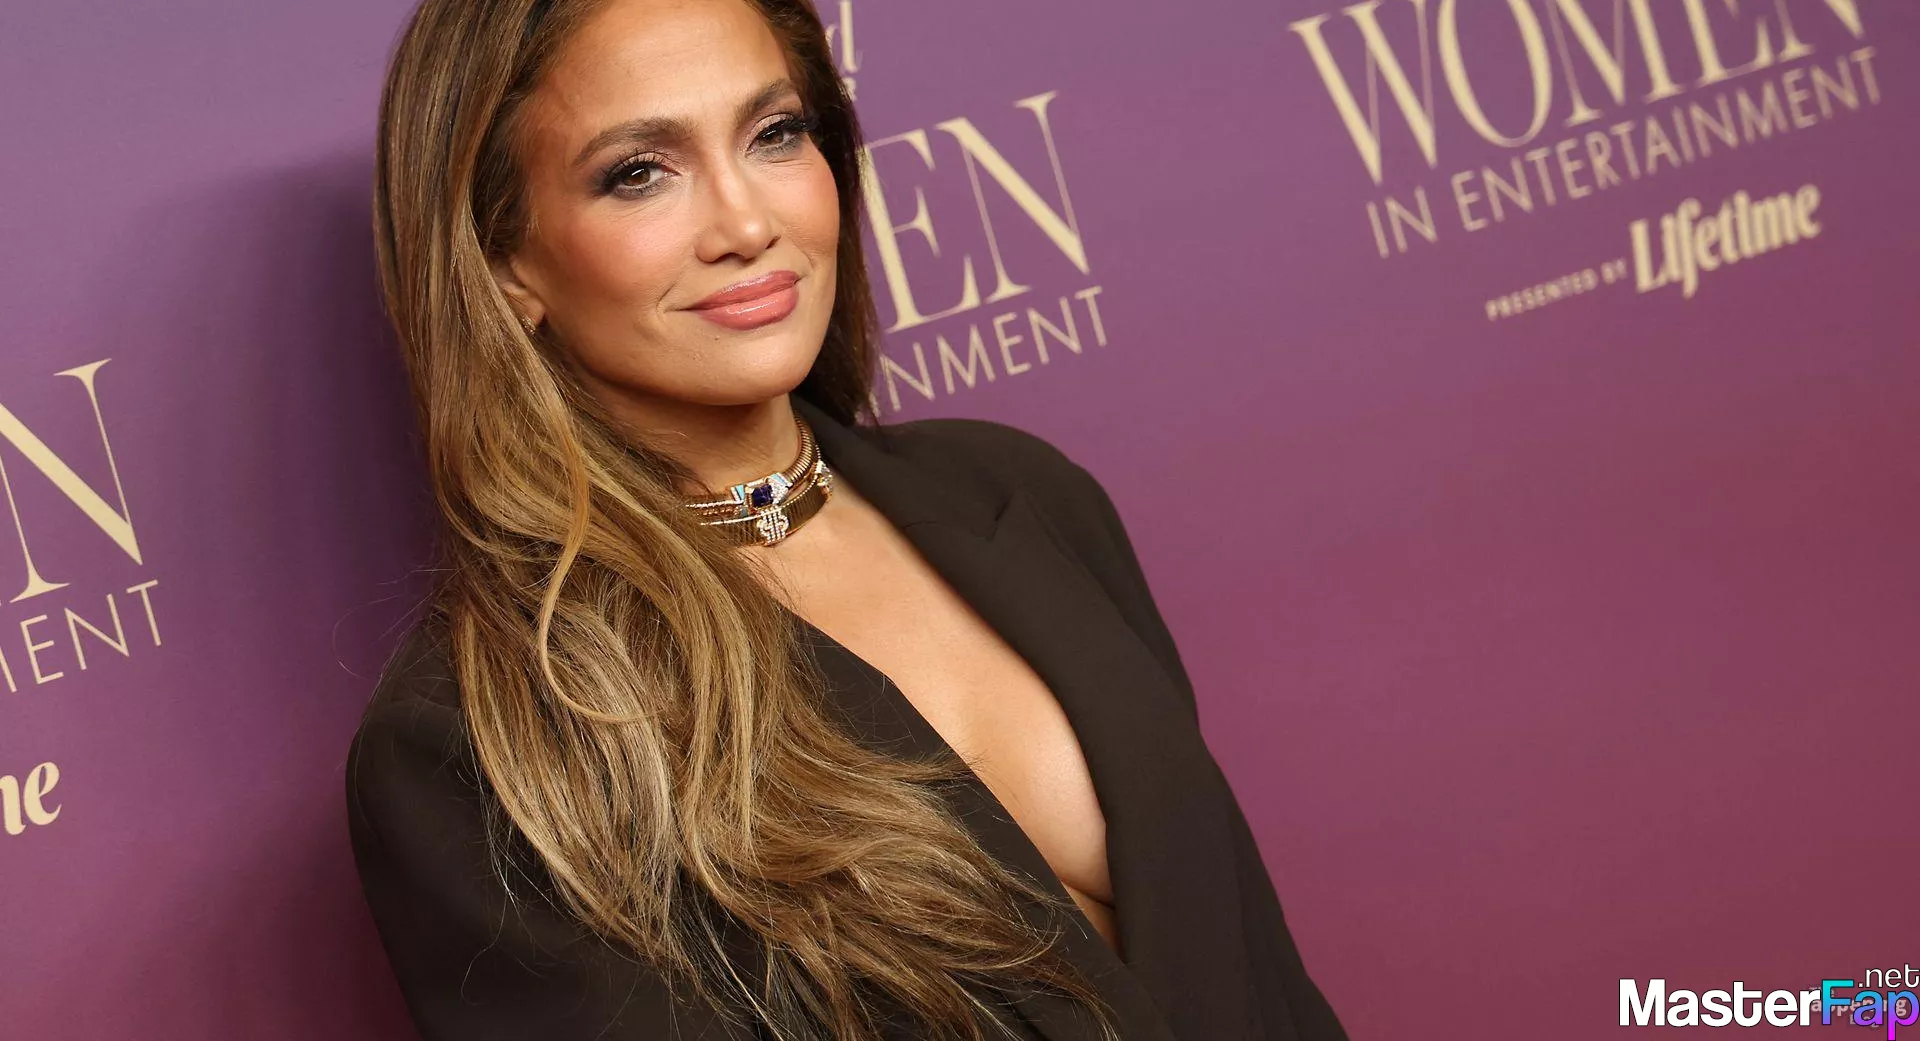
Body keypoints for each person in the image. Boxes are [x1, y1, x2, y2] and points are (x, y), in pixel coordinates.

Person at [345, 0, 1349, 1039]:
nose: (747, 226)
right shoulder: (472, 745)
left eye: (775, 134)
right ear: (504, 263)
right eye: (640, 172)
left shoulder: (1023, 494)